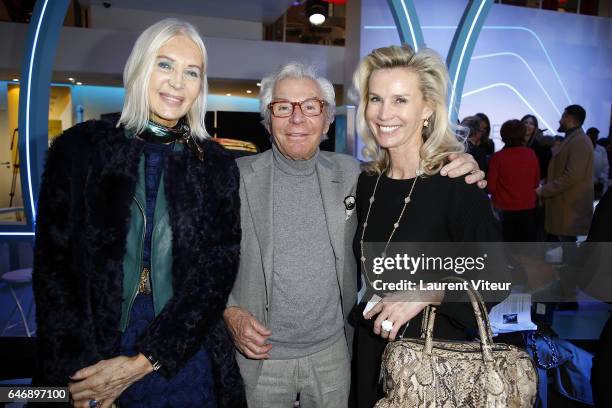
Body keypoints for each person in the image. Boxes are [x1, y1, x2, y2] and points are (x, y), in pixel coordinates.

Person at [222, 61, 486, 408]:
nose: (297, 119)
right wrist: (229, 312)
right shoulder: (232, 179)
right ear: (268, 119)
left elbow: (495, 271)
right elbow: (198, 263)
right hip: (265, 360)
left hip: (349, 357)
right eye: (283, 107)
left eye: (310, 107)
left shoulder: (352, 174)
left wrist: (463, 164)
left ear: (327, 119)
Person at [32, 19, 245, 408]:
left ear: (201, 86)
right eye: (164, 64)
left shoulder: (215, 166)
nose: (177, 82)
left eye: (191, 72)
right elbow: (54, 275)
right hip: (94, 348)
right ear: (140, 68)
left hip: (180, 353)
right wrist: (88, 379)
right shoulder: (79, 150)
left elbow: (215, 276)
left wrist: (147, 359)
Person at [350, 44, 502, 408]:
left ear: (427, 109)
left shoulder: (457, 184)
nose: (384, 113)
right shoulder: (367, 182)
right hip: (372, 352)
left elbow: (497, 279)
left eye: (400, 100)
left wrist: (427, 291)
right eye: (376, 98)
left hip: (434, 365)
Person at [536, 105, 593, 242]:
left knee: (569, 247)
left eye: (562, 117)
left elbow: (572, 176)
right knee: (567, 245)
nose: (559, 121)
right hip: (565, 204)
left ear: (569, 118)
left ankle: (569, 264)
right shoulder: (573, 139)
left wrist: (544, 190)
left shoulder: (579, 141)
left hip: (570, 206)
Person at [487, 119, 540, 241]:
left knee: (504, 248)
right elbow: (536, 183)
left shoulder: (497, 157)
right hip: (527, 209)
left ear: (502, 135)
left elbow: (491, 187)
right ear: (522, 134)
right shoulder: (531, 154)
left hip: (503, 210)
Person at [522, 114, 552, 180]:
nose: (527, 126)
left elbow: (543, 171)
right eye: (525, 123)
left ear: (535, 128)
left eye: (531, 124)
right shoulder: (512, 145)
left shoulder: (542, 148)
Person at [586, 127, 609, 198]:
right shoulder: (583, 148)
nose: (594, 137)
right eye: (592, 135)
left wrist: (602, 177)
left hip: (599, 184)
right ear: (588, 135)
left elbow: (605, 166)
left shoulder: (601, 149)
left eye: (596, 135)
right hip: (585, 184)